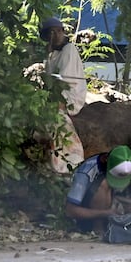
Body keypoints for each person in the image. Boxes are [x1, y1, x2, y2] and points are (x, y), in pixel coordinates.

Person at [66, 145, 131, 236]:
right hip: (93, 213)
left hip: (116, 201)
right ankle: (99, 230)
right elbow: (70, 211)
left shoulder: (128, 161)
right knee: (103, 184)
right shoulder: (86, 172)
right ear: (106, 160)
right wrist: (105, 213)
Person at [39, 17, 88, 173]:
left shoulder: (69, 50)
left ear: (62, 33)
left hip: (70, 96)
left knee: (55, 120)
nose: (55, 36)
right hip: (55, 94)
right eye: (51, 33)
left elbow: (64, 81)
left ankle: (69, 160)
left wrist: (58, 102)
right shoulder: (51, 54)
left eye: (57, 32)